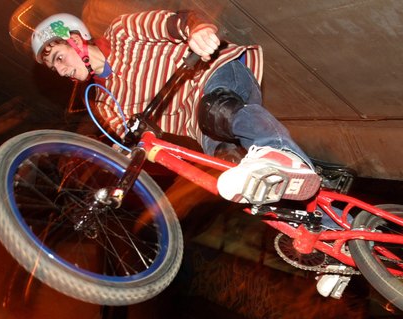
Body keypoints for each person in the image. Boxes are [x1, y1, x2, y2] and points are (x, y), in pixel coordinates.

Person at [27, 9, 321, 204]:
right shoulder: (104, 102)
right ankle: (324, 234)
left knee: (215, 110)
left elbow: (179, 21)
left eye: (60, 58)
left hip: (215, 75)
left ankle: (284, 155)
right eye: (54, 68)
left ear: (76, 41)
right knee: (233, 174)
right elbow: (135, 141)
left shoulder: (122, 33)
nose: (61, 71)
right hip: (201, 126)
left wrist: (197, 30)